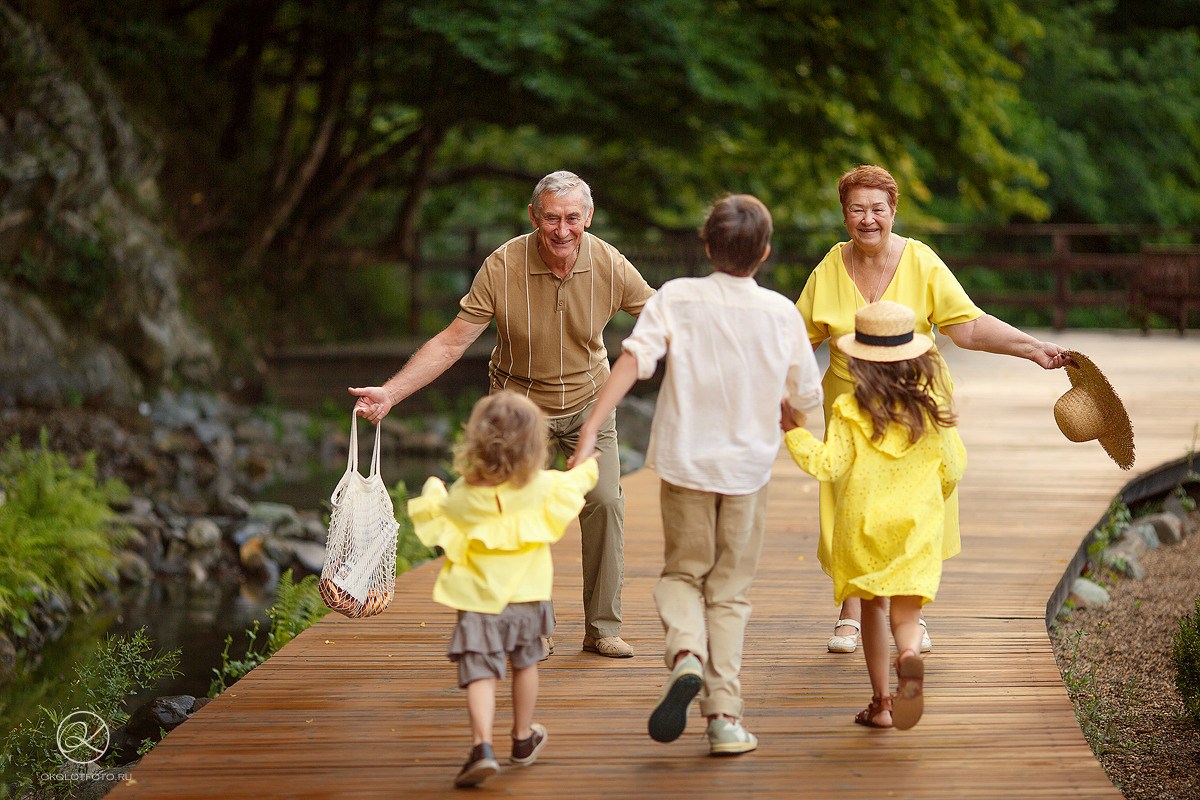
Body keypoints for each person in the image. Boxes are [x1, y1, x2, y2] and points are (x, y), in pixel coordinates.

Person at [351, 170, 654, 658]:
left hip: (588, 405)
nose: (562, 230)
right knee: (514, 514)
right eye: (551, 218)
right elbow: (453, 340)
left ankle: (603, 627)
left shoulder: (609, 264)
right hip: (518, 411)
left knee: (605, 501)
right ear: (534, 216)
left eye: (573, 218)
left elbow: (661, 317)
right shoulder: (504, 264)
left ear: (588, 218)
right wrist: (391, 393)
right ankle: (532, 625)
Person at [571, 194, 823, 755]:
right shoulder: (782, 313)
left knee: (683, 576)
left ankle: (686, 653)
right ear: (764, 253)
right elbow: (806, 393)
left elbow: (633, 361)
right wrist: (790, 412)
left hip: (686, 465)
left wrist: (590, 430)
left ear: (707, 245)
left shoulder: (678, 298)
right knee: (729, 594)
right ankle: (724, 719)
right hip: (747, 472)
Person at [796, 164, 1069, 654]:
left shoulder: (922, 262)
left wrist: (1031, 348)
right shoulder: (829, 268)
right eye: (857, 209)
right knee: (848, 506)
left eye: (877, 209)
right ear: (844, 215)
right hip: (849, 408)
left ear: (893, 211)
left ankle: (910, 612)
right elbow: (796, 338)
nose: (868, 219)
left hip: (914, 409)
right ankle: (850, 609)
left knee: (913, 505)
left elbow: (966, 326)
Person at [783, 300, 967, 729]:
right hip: (916, 526)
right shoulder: (933, 412)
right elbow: (954, 468)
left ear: (858, 363)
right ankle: (908, 657)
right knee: (906, 613)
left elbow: (827, 465)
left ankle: (882, 704)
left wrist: (792, 432)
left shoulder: (849, 412)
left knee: (873, 609)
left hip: (863, 529)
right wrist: (931, 498)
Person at [407, 391, 599, 787]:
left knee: (480, 670)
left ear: (476, 440)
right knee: (525, 663)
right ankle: (522, 737)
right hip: (527, 596)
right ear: (534, 444)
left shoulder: (465, 492)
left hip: (477, 600)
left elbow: (438, 508)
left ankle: (481, 746)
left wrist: (433, 487)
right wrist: (586, 461)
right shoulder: (543, 486)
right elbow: (578, 480)